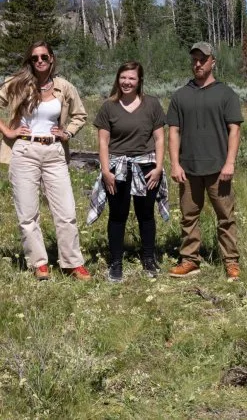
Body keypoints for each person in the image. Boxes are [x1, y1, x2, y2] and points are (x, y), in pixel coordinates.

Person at [0, 41, 90, 281]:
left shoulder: (64, 87)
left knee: (66, 211)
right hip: (25, 150)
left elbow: (80, 114)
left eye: (44, 57)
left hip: (54, 153)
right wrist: (8, 132)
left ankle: (72, 263)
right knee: (28, 213)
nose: (39, 61)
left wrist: (68, 132)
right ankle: (39, 263)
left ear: (52, 58)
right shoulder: (17, 84)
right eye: (34, 58)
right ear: (29, 61)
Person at [167, 42, 243, 280]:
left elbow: (234, 130)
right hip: (188, 168)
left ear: (213, 62)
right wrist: (175, 164)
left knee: (225, 217)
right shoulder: (181, 95)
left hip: (218, 169)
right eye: (194, 60)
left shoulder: (226, 94)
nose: (197, 64)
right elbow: (173, 132)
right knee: (189, 216)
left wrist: (230, 163)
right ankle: (190, 260)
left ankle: (230, 261)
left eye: (203, 59)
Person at [86, 62, 168, 282]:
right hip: (117, 168)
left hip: (146, 166)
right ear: (117, 79)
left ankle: (149, 259)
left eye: (132, 78)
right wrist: (105, 171)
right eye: (123, 78)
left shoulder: (152, 104)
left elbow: (160, 138)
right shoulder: (109, 107)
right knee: (117, 215)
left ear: (139, 80)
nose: (127, 82)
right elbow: (103, 142)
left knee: (146, 214)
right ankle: (116, 263)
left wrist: (159, 167)